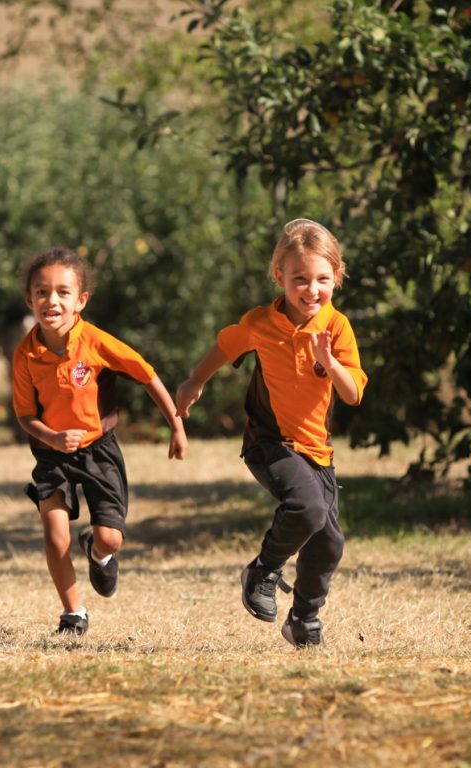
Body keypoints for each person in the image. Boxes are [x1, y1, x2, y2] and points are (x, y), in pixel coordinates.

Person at [176, 219, 367, 648]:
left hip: (316, 451)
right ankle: (263, 569)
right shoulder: (261, 323)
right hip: (269, 443)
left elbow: (353, 394)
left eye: (322, 279)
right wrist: (195, 382)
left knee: (329, 542)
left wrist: (330, 362)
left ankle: (303, 619)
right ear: (279, 276)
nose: (311, 290)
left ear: (337, 277)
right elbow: (226, 345)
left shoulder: (336, 328)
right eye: (300, 279)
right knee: (307, 508)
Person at [13, 246, 187, 636]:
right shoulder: (25, 355)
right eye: (42, 292)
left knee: (111, 538)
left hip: (99, 451)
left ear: (81, 301)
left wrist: (176, 424)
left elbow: (147, 375)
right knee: (55, 533)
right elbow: (25, 416)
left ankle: (98, 551)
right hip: (51, 453)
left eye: (62, 292)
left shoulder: (95, 342)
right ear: (30, 299)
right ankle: (73, 613)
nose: (51, 300)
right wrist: (52, 438)